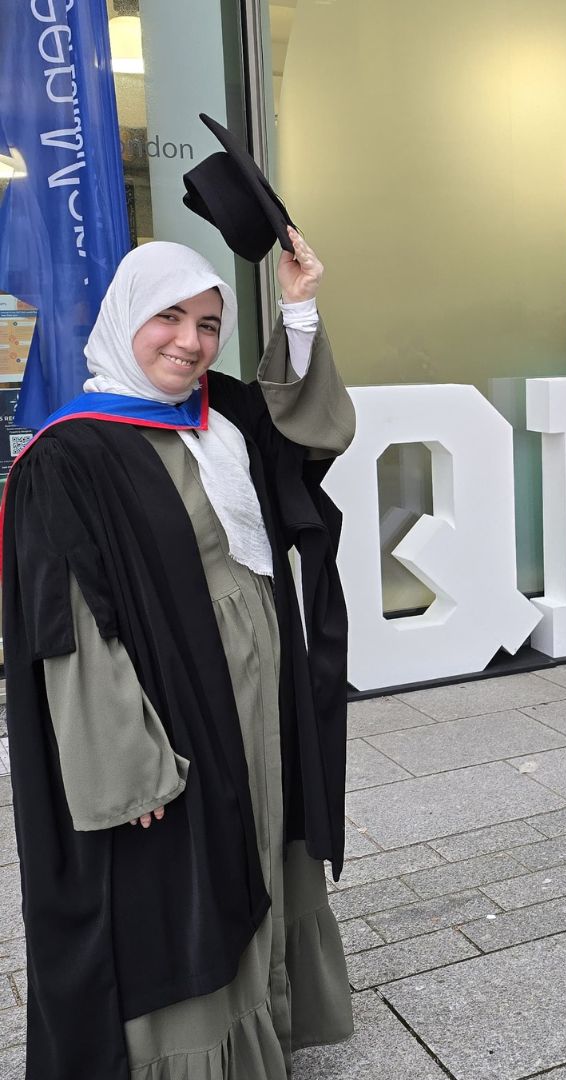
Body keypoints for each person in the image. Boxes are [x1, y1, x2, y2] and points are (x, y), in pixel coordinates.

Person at [1, 228, 356, 1079]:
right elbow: (71, 627)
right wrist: (128, 767)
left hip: (259, 683)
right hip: (175, 701)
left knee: (267, 835)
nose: (190, 342)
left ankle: (271, 1019)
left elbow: (302, 437)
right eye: (169, 317)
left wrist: (298, 306)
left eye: (208, 323)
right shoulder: (72, 455)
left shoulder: (219, 410)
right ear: (125, 318)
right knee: (183, 876)